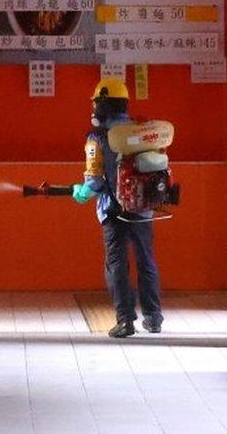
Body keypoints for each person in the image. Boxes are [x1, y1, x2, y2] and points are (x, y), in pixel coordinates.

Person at [71, 78, 164, 338]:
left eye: (95, 103)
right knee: (146, 261)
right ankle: (154, 318)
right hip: (143, 208)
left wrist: (82, 192)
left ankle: (125, 321)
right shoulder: (142, 130)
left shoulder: (97, 137)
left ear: (103, 105)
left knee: (117, 264)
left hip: (112, 210)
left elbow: (95, 180)